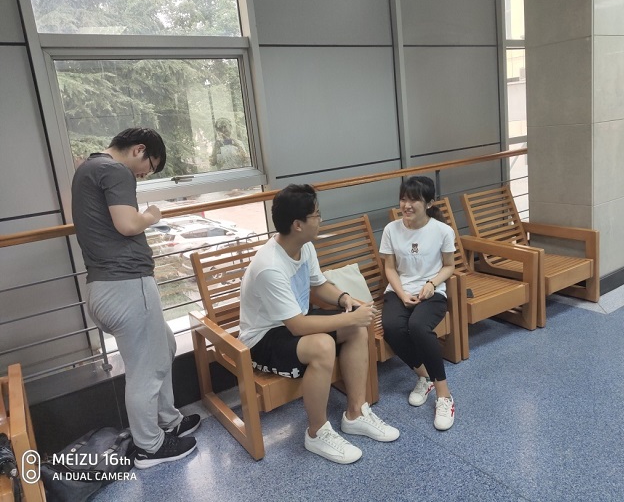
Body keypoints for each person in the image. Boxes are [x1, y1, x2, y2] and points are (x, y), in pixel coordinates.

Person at [238, 184, 399, 464]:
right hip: (263, 338)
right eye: (316, 215)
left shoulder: (304, 247)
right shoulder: (269, 266)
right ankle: (316, 432)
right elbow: (297, 326)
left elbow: (319, 284)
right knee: (324, 344)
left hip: (293, 321)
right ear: (298, 224)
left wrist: (344, 299)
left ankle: (355, 414)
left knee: (357, 328)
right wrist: (349, 316)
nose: (320, 219)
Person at [71, 128, 201, 470]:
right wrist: (152, 216)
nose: (144, 175)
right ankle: (149, 447)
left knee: (165, 346)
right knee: (146, 370)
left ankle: (168, 420)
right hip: (126, 286)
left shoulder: (87, 169)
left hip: (104, 288)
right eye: (149, 166)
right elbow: (128, 225)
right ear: (138, 149)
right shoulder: (115, 170)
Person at [379, 176, 456, 430]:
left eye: (414, 200)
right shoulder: (391, 229)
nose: (406, 205)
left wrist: (432, 283)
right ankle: (424, 377)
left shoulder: (442, 231)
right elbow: (390, 268)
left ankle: (444, 396)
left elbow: (449, 266)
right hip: (399, 290)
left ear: (429, 203)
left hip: (432, 292)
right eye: (403, 199)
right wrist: (401, 294)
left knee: (418, 327)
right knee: (392, 327)